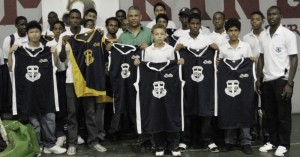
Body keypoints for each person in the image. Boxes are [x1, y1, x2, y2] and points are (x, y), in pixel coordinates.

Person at [7, 20, 66, 155]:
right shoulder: (19, 51)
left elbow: (55, 67)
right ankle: (37, 146)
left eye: (37, 32)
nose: (34, 34)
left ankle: (50, 144)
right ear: (27, 34)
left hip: (46, 93)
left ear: (40, 33)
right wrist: (10, 53)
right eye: (31, 32)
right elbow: (11, 68)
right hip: (28, 94)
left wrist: (55, 54)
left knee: (50, 119)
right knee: (35, 124)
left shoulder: (47, 50)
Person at [57, 9, 107, 156]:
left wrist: (100, 32)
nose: (75, 20)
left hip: (88, 79)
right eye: (72, 18)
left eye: (77, 18)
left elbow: (100, 38)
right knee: (72, 113)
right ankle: (72, 142)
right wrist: (63, 44)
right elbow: (61, 59)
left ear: (81, 19)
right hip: (70, 80)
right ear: (68, 20)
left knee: (90, 112)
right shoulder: (64, 36)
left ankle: (93, 141)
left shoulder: (89, 32)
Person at [134, 23, 183, 157]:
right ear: (152, 36)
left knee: (171, 115)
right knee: (156, 116)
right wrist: (139, 63)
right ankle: (159, 145)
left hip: (169, 91)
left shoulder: (170, 50)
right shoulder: (148, 51)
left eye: (162, 34)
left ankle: (174, 145)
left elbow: (173, 70)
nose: (159, 36)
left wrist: (179, 63)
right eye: (157, 34)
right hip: (154, 90)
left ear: (166, 35)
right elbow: (146, 71)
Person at [257, 6, 298, 157]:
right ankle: (273, 141)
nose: (271, 16)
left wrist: (290, 83)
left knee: (283, 115)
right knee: (270, 115)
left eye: (274, 14)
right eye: (269, 14)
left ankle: (284, 144)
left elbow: (294, 59)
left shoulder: (288, 34)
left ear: (281, 15)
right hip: (267, 80)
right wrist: (258, 78)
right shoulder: (263, 35)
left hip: (282, 80)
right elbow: (261, 58)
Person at [175, 13, 219, 152]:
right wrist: (177, 51)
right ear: (188, 24)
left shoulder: (207, 40)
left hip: (206, 84)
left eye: (197, 24)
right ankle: (185, 140)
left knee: (206, 111)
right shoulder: (182, 40)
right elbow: (173, 57)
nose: (194, 26)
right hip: (188, 83)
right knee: (187, 110)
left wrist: (216, 51)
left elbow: (218, 55)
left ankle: (208, 140)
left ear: (200, 25)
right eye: (192, 23)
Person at [218, 18, 254, 154]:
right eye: (230, 31)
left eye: (235, 30)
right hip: (227, 87)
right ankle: (229, 141)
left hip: (244, 85)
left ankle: (246, 141)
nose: (233, 33)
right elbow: (219, 66)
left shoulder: (246, 46)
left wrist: (252, 61)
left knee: (244, 109)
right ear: (227, 32)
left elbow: (250, 64)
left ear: (239, 31)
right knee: (229, 110)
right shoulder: (222, 48)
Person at [243, 11, 268, 142]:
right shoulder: (246, 38)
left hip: (266, 73)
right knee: (251, 104)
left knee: (266, 104)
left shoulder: (268, 35)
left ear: (262, 21)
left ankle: (266, 131)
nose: (255, 21)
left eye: (258, 19)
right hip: (251, 75)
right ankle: (254, 130)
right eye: (252, 19)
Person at [95, 17, 121, 141]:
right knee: (100, 106)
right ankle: (99, 133)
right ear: (106, 26)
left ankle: (113, 131)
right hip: (102, 78)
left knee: (116, 105)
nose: (113, 27)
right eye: (111, 25)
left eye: (116, 25)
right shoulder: (100, 40)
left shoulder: (121, 41)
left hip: (117, 78)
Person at [46, 20, 67, 148]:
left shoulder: (68, 40)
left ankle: (72, 133)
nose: (58, 31)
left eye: (60, 28)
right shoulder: (49, 43)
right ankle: (60, 133)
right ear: (52, 30)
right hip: (55, 76)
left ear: (64, 29)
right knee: (58, 104)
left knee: (69, 105)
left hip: (68, 75)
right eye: (55, 29)